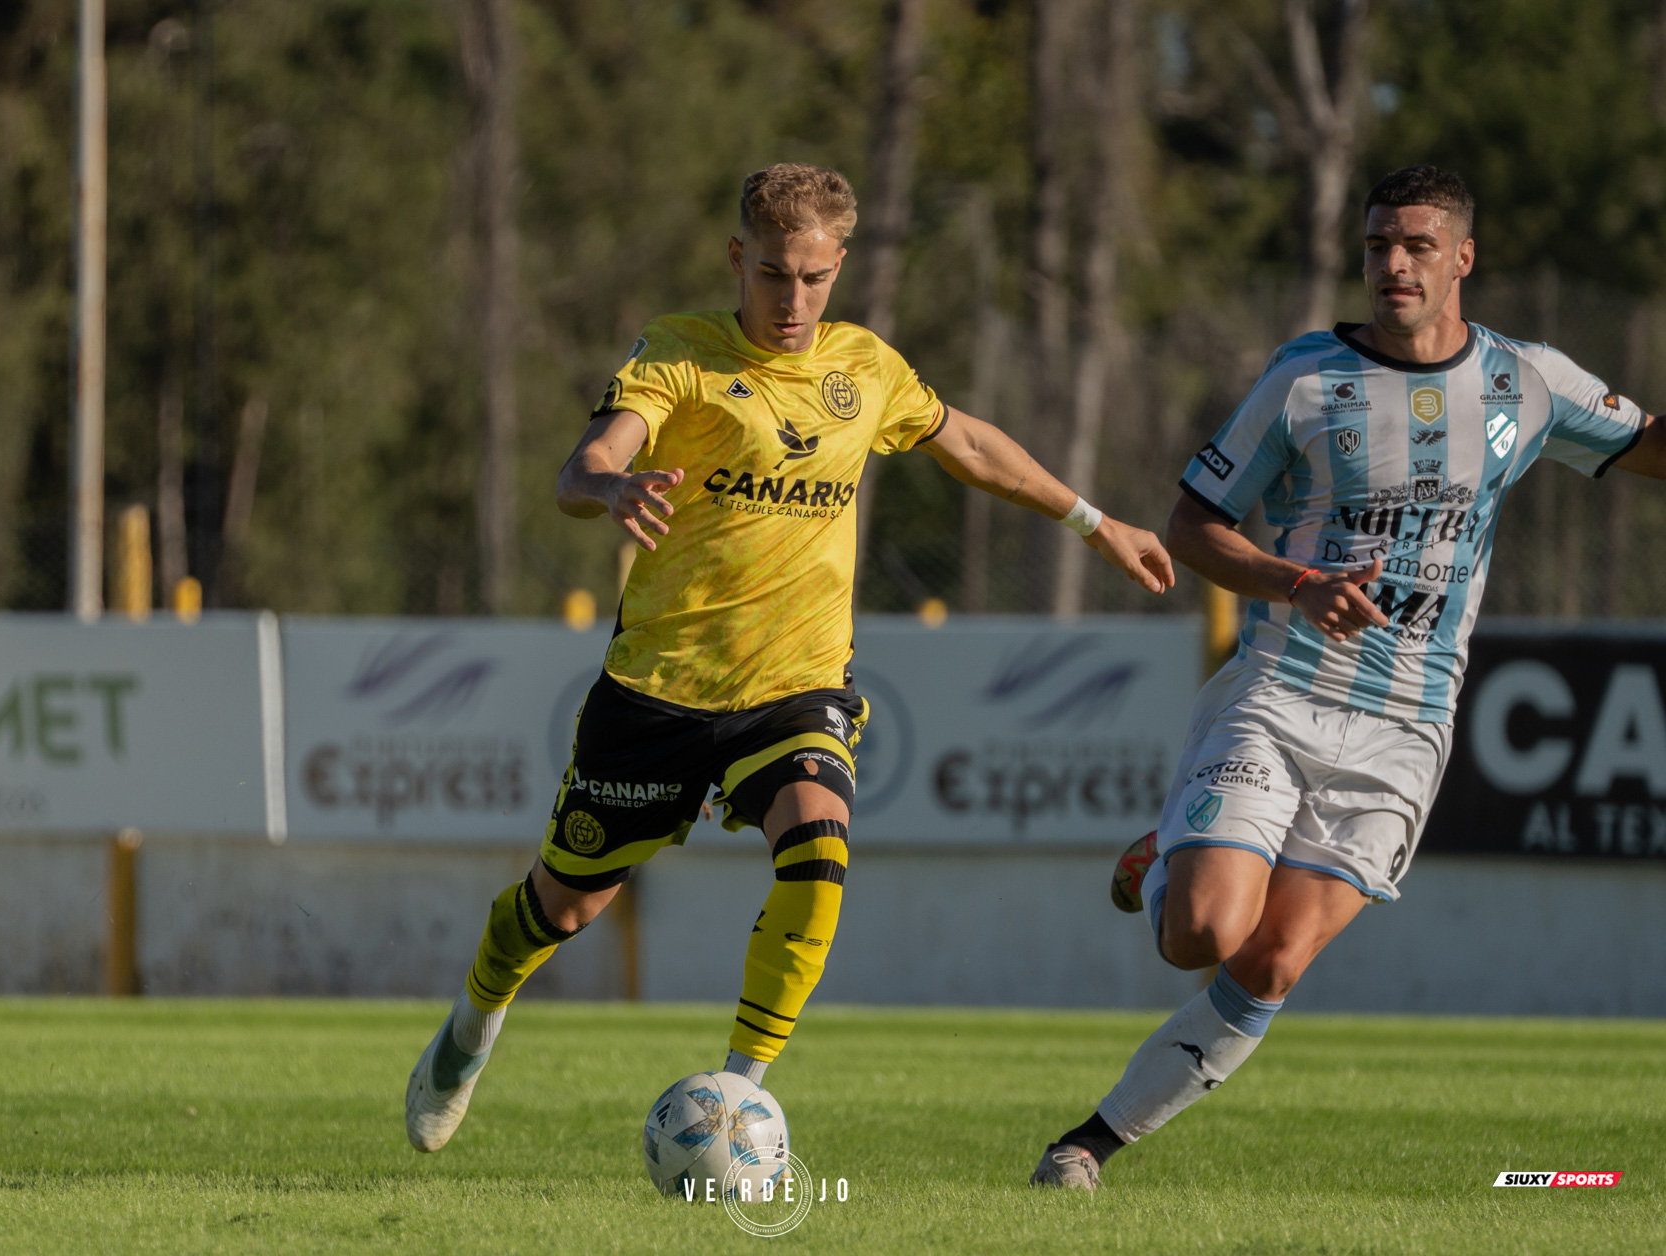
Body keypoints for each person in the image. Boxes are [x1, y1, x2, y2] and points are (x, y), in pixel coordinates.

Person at [407, 162, 1175, 1152]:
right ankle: (472, 1024)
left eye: (814, 277)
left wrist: (1094, 519)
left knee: (819, 857)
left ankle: (737, 1098)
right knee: (563, 903)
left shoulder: (867, 369)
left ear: (840, 265)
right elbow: (585, 460)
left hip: (796, 686)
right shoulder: (680, 353)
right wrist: (610, 488)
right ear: (739, 258)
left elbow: (972, 445)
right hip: (659, 690)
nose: (793, 298)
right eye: (773, 274)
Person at [1032, 164, 1666, 1190]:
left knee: (1271, 960)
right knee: (1199, 932)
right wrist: (1294, 581)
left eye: (1417, 246)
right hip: (1283, 691)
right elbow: (1195, 523)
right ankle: (1163, 861)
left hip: (1406, 729)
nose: (1393, 265)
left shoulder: (1527, 379)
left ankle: (1086, 1145)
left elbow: (1651, 449)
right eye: (1378, 246)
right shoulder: (1305, 377)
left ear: (1463, 258)